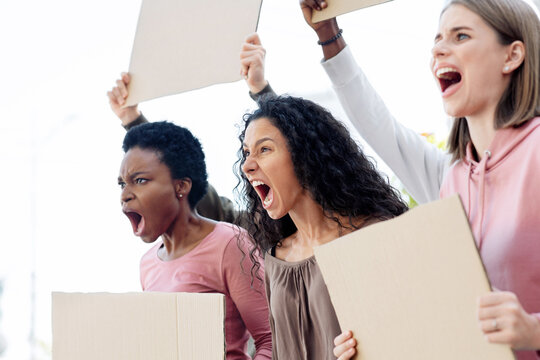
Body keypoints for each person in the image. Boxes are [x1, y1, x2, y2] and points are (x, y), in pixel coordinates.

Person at [298, 0, 540, 358]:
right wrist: (369, 342)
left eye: (461, 36)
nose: (439, 48)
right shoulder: (452, 179)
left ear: (512, 55)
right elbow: (376, 124)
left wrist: (533, 331)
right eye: (438, 38)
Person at [238, 95, 408, 359]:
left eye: (264, 150)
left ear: (304, 155)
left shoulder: (373, 236)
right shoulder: (276, 258)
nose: (247, 166)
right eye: (247, 153)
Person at [117, 121, 272, 359]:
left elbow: (270, 341)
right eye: (122, 184)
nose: (125, 195)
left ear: (181, 186)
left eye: (140, 180)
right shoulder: (147, 263)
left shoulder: (230, 243)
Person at [108, 33, 273, 225]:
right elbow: (209, 209)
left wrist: (261, 90)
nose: (247, 167)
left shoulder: (308, 224)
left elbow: (299, 139)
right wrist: (133, 120)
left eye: (266, 150)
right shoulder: (246, 231)